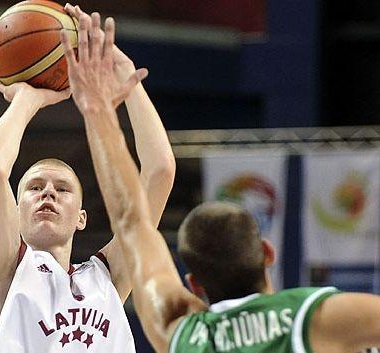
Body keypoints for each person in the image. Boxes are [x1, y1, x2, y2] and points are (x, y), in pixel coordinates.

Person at [61, 11, 380, 353]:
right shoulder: (312, 317)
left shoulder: (178, 332)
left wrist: (96, 110)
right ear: (268, 253)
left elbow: (131, 222)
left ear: (194, 284)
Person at [0, 5, 175, 352]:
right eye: (34, 188)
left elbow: (160, 171)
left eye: (62, 189)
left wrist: (127, 76)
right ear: (15, 211)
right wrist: (27, 99)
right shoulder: (6, 270)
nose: (48, 192)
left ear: (82, 217)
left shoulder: (108, 278)